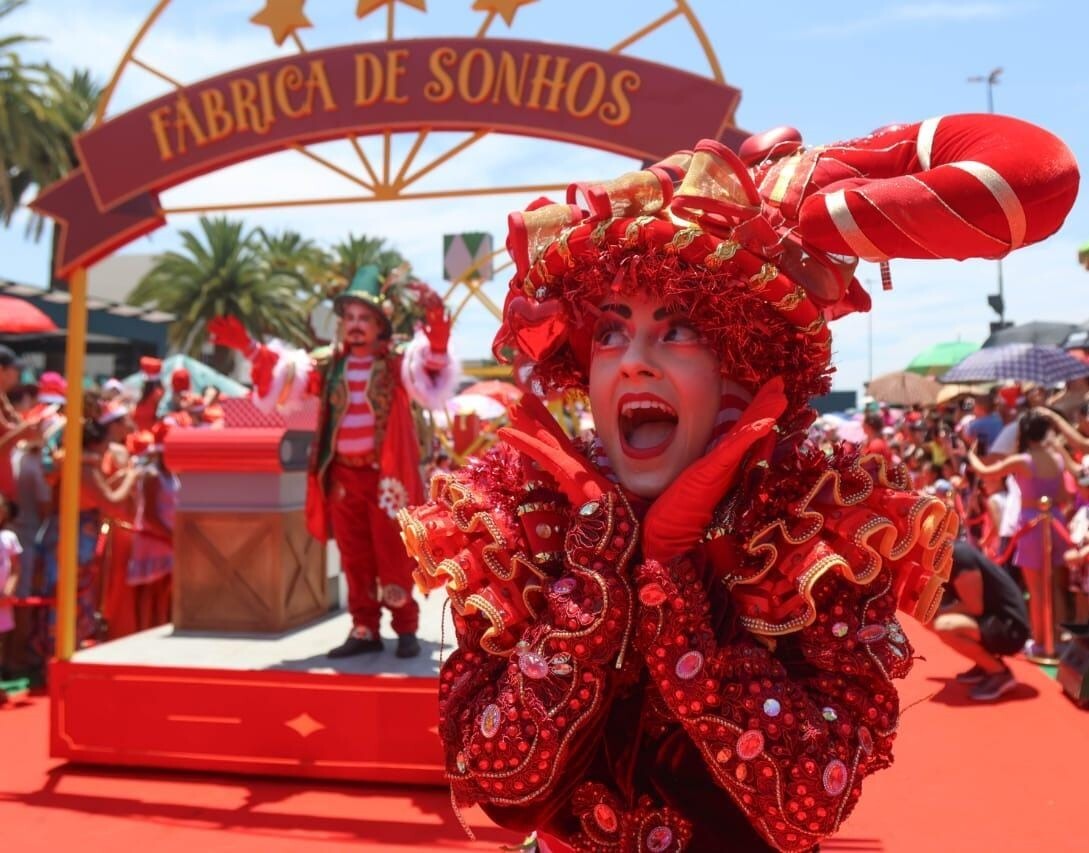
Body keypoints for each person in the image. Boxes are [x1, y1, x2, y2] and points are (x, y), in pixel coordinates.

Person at [398, 115, 1077, 851]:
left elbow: (811, 805)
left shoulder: (813, 529)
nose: (633, 360)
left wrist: (668, 583)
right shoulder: (521, 521)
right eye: (610, 330)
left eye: (679, 328)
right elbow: (491, 788)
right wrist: (596, 574)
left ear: (744, 365)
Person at [210, 265, 456, 659]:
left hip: (386, 477)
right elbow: (286, 376)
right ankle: (364, 628)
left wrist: (437, 328)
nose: (355, 326)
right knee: (354, 555)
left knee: (392, 553)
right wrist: (250, 350)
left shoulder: (396, 362)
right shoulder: (328, 365)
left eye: (365, 319)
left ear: (380, 326)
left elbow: (432, 369)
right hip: (342, 475)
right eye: (350, 318)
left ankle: (405, 626)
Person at [967, 412, 1070, 657]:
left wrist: (971, 455)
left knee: (1036, 588)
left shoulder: (1023, 460)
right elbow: (1065, 496)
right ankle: (1057, 639)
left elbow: (986, 471)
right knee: (1055, 585)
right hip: (1056, 521)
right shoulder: (1057, 458)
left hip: (1032, 525)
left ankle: (1042, 643)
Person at [932, 541, 1030, 701]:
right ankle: (986, 664)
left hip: (1011, 629)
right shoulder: (945, 554)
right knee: (932, 618)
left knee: (943, 625)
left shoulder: (958, 555)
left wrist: (936, 611)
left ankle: (999, 673)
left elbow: (974, 607)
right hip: (994, 619)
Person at [0, 493, 23, 675]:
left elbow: (15, 568)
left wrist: (9, 590)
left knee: (1, 641)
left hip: (2, 601)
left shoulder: (8, 538)